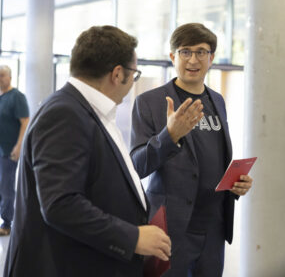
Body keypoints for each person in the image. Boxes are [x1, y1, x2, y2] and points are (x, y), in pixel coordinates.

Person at [4, 26, 171, 277]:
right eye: (133, 75)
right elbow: (61, 204)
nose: (131, 85)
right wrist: (132, 237)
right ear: (117, 74)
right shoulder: (65, 114)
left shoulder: (86, 110)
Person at [130, 23, 253, 277]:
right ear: (173, 56)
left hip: (213, 229)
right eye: (185, 52)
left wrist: (236, 184)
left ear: (212, 59)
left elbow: (215, 159)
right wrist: (170, 136)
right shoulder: (150, 102)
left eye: (201, 52)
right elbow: (137, 166)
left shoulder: (216, 100)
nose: (193, 60)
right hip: (171, 229)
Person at [0, 65, 29, 236]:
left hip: (9, 151)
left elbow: (25, 121)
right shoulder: (1, 97)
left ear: (10, 77)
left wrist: (19, 146)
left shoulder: (17, 97)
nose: (0, 78)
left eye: (2, 75)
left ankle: (7, 223)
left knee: (6, 187)